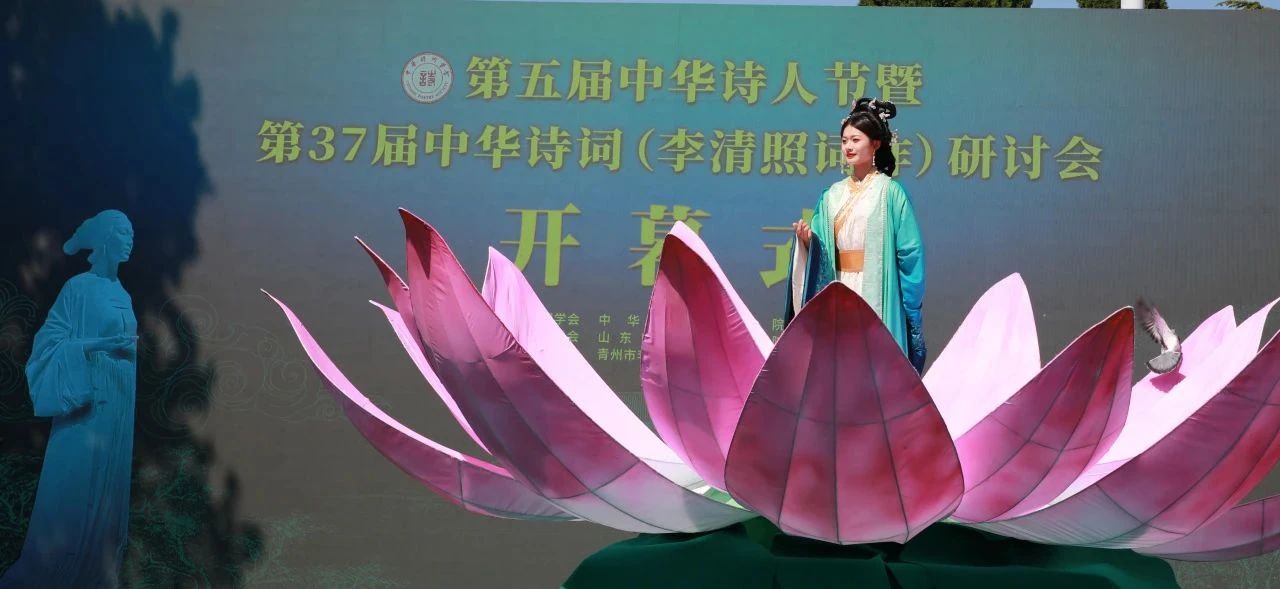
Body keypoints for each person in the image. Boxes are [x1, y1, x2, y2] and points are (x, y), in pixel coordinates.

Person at [1, 210, 138, 588]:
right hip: (85, 405)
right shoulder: (78, 289)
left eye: (132, 233)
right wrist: (96, 345)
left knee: (106, 495)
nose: (130, 239)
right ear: (106, 239)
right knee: (75, 488)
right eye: (123, 233)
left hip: (117, 410)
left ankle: (96, 574)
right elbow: (49, 344)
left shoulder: (123, 295)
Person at [784, 98, 927, 374]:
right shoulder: (832, 195)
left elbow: (910, 253)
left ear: (875, 144)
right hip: (839, 286)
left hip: (877, 290)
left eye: (856, 140)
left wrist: (910, 305)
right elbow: (822, 249)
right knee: (839, 368)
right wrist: (808, 242)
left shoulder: (890, 193)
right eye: (844, 140)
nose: (848, 146)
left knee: (871, 368)